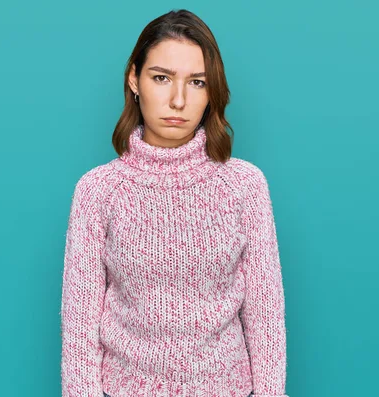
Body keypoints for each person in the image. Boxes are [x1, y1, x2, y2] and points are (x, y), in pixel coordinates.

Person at [60, 8, 289, 397]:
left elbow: (266, 317)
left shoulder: (244, 185)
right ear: (134, 79)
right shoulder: (98, 190)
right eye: (162, 78)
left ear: (211, 92)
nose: (178, 99)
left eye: (197, 82)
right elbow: (79, 329)